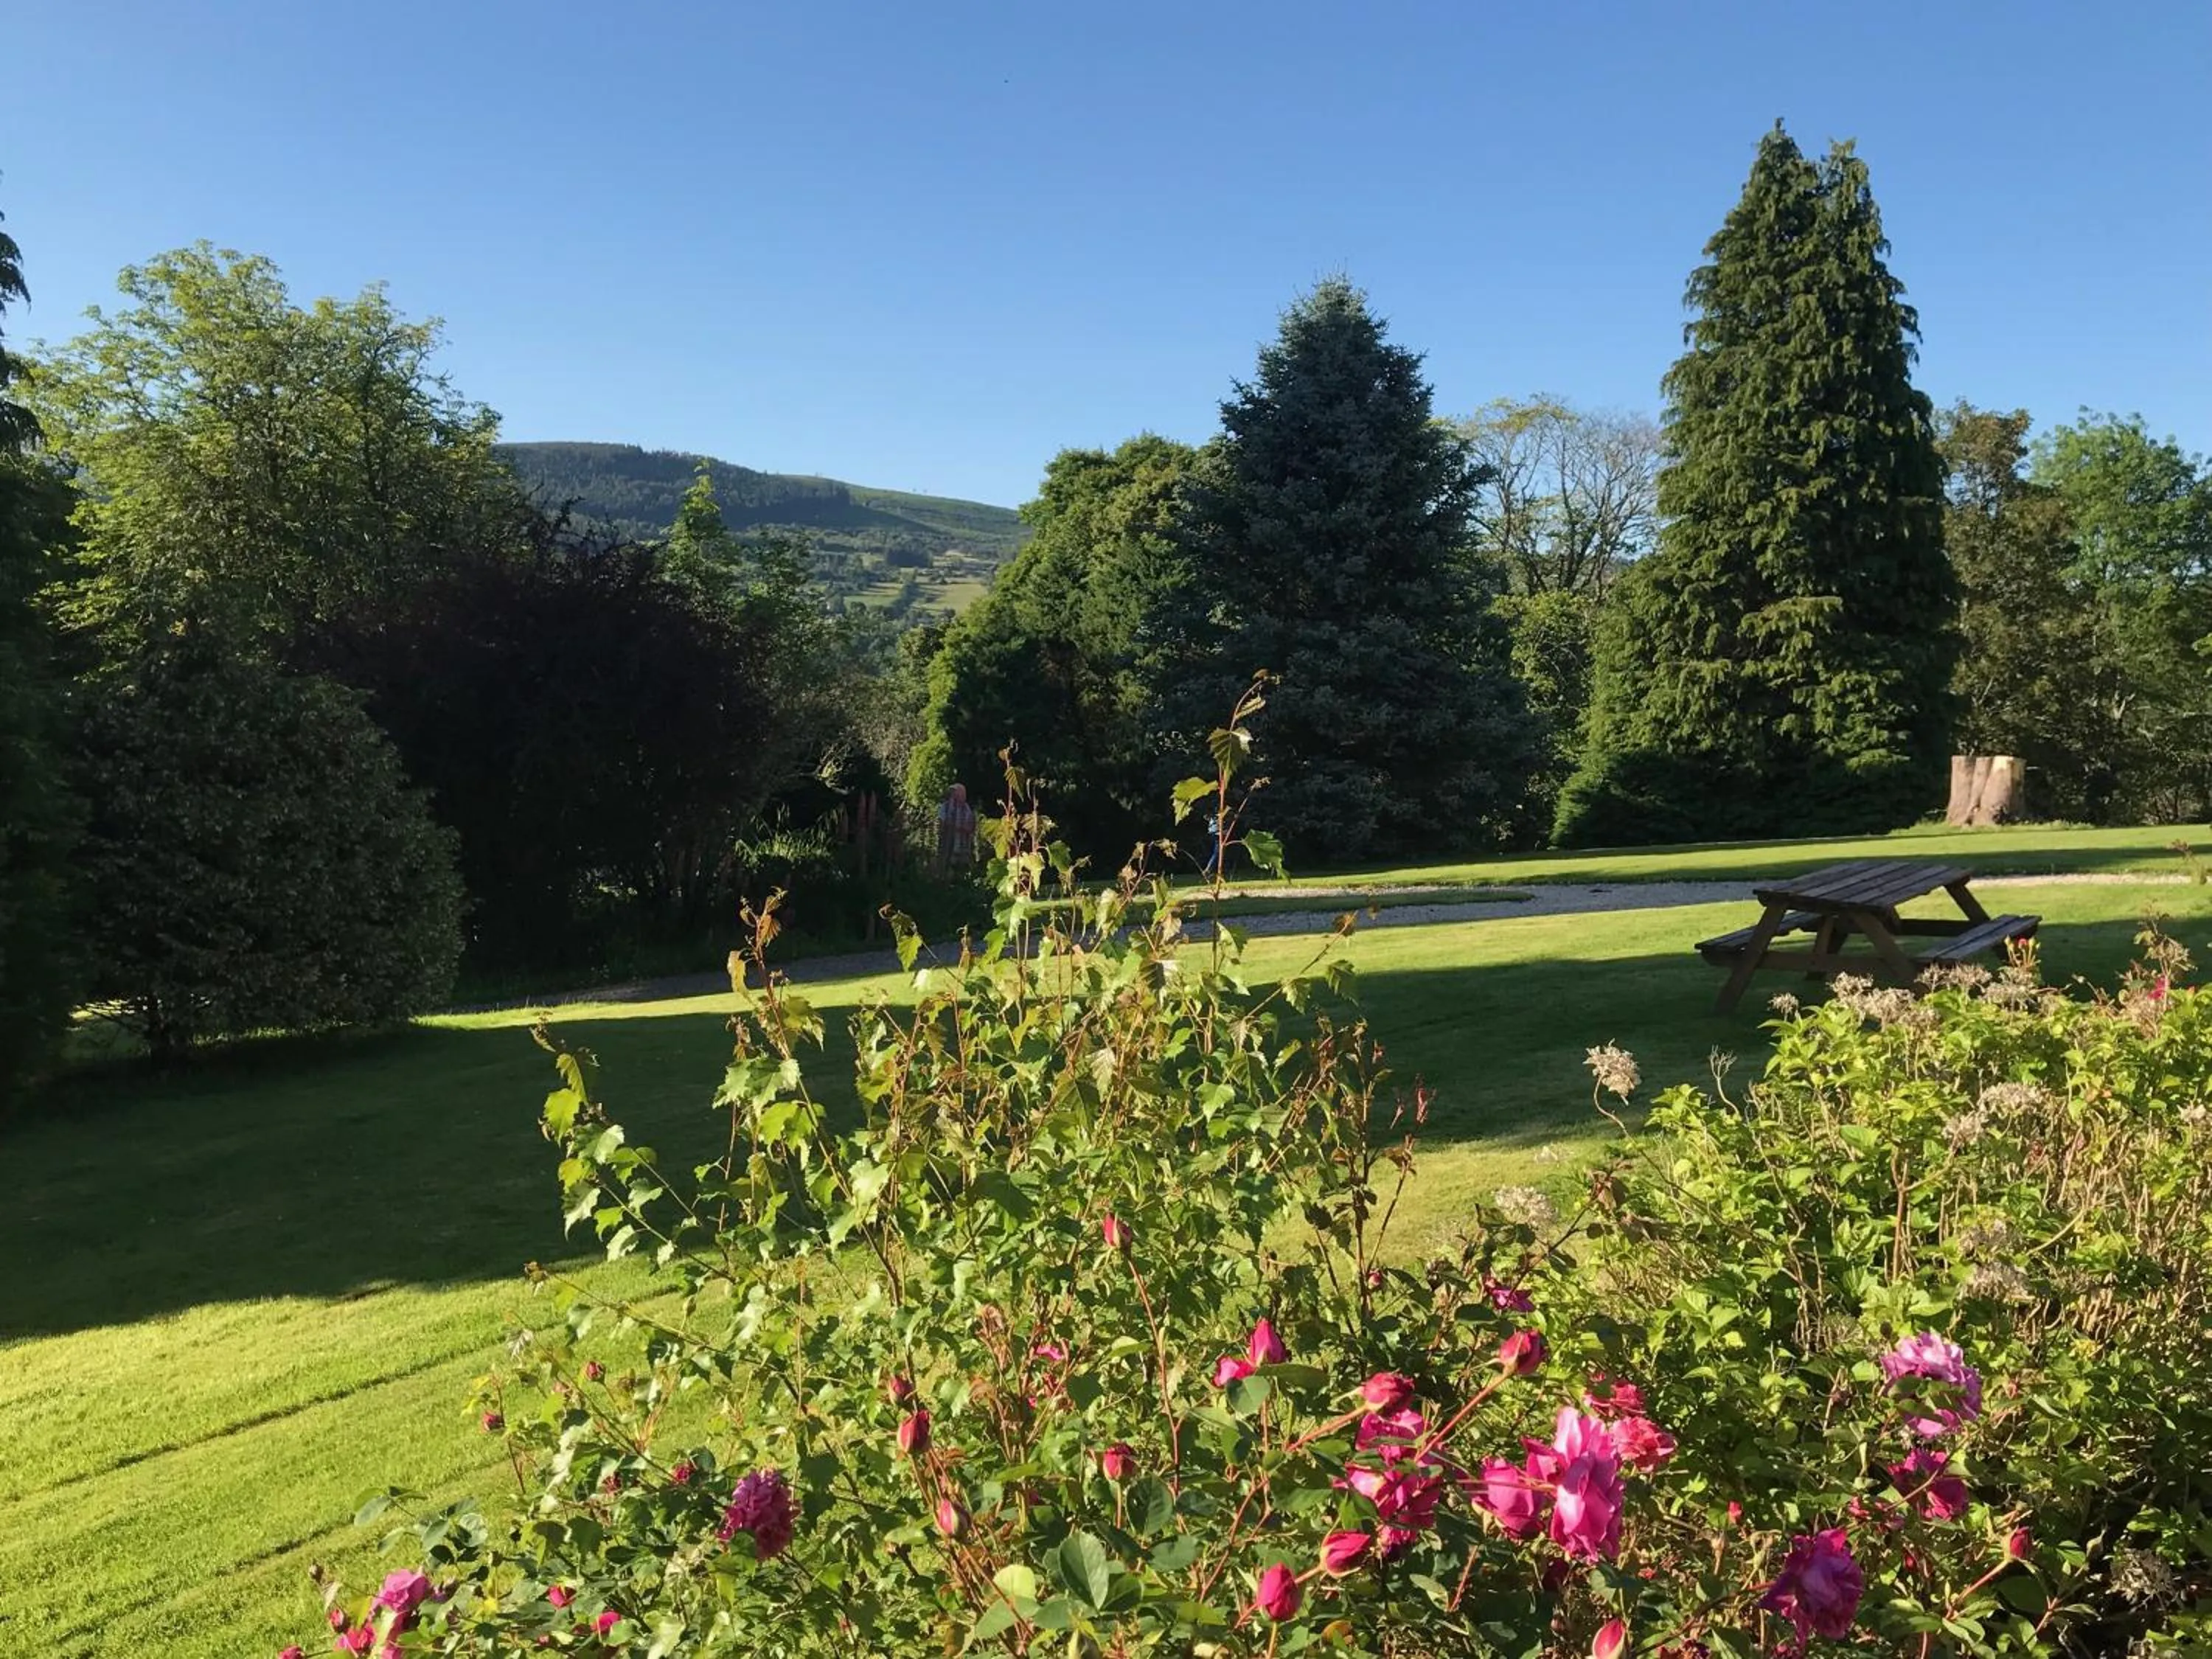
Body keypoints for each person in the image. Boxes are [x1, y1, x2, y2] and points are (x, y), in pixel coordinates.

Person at [935, 782, 978, 872]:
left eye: (955, 792)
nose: (953, 795)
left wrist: (962, 828)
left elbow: (970, 826)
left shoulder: (966, 808)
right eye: (952, 792)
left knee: (962, 868)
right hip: (948, 844)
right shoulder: (945, 807)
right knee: (945, 867)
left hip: (963, 845)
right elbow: (941, 823)